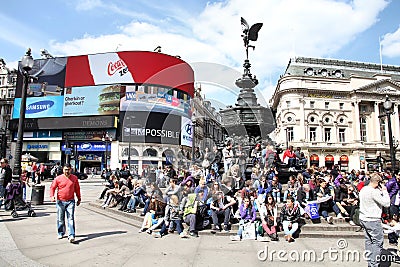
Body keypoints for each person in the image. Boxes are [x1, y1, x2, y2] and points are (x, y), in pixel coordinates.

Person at [359, 173, 390, 267]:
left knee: (369, 241)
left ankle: (370, 261)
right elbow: (386, 203)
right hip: (373, 219)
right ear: (377, 182)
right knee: (377, 242)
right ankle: (373, 264)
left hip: (363, 218)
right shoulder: (374, 191)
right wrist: (384, 191)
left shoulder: (363, 189)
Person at [49, 164, 81, 243]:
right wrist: (52, 196)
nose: (67, 171)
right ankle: (61, 232)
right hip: (60, 201)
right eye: (65, 169)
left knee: (70, 218)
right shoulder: (58, 178)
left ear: (71, 170)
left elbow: (77, 189)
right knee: (60, 219)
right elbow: (52, 188)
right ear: (63, 170)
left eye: (68, 169)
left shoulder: (74, 178)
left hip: (70, 201)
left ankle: (71, 235)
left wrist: (79, 198)